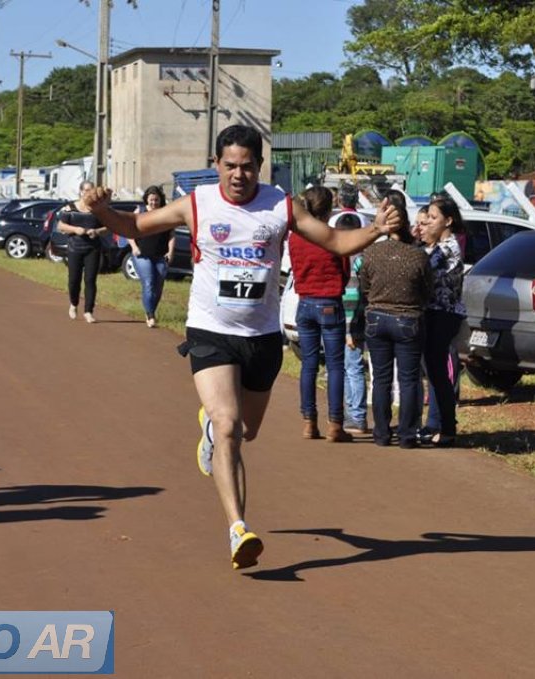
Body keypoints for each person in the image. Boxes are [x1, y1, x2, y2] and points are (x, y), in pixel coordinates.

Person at [82, 124, 398, 570]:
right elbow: (134, 225)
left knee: (246, 431)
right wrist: (101, 209)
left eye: (247, 167)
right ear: (216, 165)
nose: (238, 175)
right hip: (210, 331)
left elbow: (335, 242)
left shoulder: (280, 205)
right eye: (229, 165)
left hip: (262, 337)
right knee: (229, 425)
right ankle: (238, 528)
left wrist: (376, 229)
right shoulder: (197, 203)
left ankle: (213, 432)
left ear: (259, 167)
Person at [359, 190, 431, 449]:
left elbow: (364, 287)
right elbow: (427, 291)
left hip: (376, 319)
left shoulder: (371, 253)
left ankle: (381, 433)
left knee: (381, 379)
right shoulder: (418, 255)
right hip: (408, 319)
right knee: (409, 380)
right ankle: (407, 435)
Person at [288, 186, 352, 443]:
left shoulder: (295, 237)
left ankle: (309, 422)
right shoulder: (332, 236)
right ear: (328, 211)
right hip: (330, 301)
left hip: (304, 302)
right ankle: (335, 424)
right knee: (335, 365)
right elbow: (344, 271)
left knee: (309, 364)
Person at [417, 195, 466, 447]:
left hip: (444, 315)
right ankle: (436, 424)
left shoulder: (448, 247)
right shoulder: (437, 246)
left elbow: (425, 265)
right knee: (433, 373)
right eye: (427, 218)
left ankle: (447, 428)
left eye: (433, 218)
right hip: (434, 313)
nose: (428, 222)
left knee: (438, 373)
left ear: (448, 221)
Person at [336, 212, 369, 435]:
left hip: (352, 322)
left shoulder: (353, 260)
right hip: (351, 321)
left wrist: (348, 329)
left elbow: (353, 296)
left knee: (353, 368)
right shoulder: (360, 258)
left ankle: (356, 415)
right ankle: (352, 413)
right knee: (348, 368)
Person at [128, 186, 174, 328]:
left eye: (156, 200)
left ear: (160, 199)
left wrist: (170, 251)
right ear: (147, 200)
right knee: (149, 283)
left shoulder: (166, 213)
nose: (154, 202)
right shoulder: (140, 212)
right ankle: (150, 315)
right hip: (142, 254)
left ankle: (151, 309)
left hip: (160, 254)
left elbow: (171, 235)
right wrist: (134, 247)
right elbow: (128, 230)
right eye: (151, 200)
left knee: (158, 285)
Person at [58, 181, 104, 324]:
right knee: (74, 280)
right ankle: (74, 303)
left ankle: (88, 311)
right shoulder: (70, 208)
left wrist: (97, 231)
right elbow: (60, 226)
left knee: (90, 280)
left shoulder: (98, 209)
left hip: (93, 249)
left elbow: (108, 227)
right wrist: (75, 229)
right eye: (86, 190)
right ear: (81, 191)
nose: (88, 193)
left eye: (91, 190)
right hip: (74, 249)